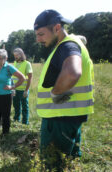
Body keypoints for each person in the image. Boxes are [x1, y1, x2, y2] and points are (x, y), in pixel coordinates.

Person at [34, 9, 94, 167]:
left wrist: (55, 93)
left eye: (41, 34)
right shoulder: (68, 44)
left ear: (57, 28)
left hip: (59, 119)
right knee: (68, 163)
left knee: (53, 164)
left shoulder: (67, 46)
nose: (38, 39)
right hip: (69, 117)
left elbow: (73, 72)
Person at [0, 49, 25, 135]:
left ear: (6, 58)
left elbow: (22, 78)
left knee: (5, 115)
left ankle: (5, 133)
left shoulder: (9, 68)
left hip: (5, 96)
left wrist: (12, 87)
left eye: (0, 58)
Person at [12, 48, 33, 125]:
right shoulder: (14, 63)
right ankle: (16, 119)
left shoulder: (27, 63)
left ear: (21, 54)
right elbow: (12, 77)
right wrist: (13, 88)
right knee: (16, 105)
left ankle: (25, 122)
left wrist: (26, 90)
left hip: (23, 89)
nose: (16, 57)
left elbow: (30, 77)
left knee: (24, 107)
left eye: (17, 55)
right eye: (14, 55)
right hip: (15, 89)